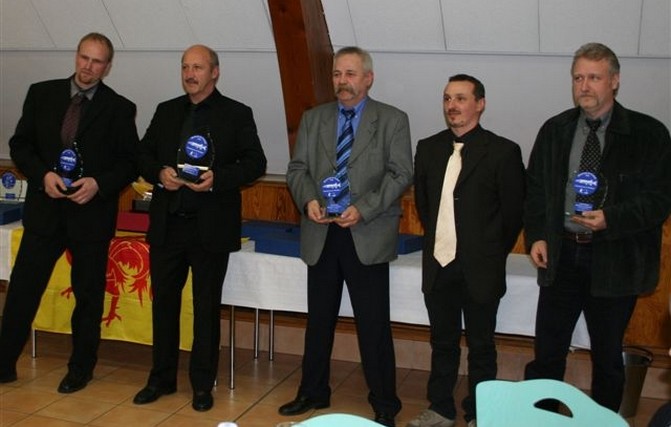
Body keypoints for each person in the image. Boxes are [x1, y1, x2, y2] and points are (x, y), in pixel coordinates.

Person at [524, 42, 671, 412]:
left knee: (607, 357)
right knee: (547, 352)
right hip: (561, 254)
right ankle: (542, 419)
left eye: (594, 77)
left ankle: (603, 420)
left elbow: (659, 200)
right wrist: (537, 236)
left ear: (615, 81)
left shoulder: (648, 133)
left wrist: (611, 218)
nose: (584, 86)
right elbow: (536, 190)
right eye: (578, 78)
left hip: (614, 258)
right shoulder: (555, 129)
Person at [279, 46, 413, 427]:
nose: (343, 81)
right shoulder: (313, 118)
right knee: (319, 321)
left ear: (368, 78)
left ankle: (385, 402)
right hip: (321, 232)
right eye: (338, 74)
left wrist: (364, 208)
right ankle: (312, 392)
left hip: (366, 232)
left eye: (351, 74)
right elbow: (297, 169)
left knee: (373, 325)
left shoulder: (392, 120)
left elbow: (402, 173)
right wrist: (308, 200)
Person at [0, 33, 138, 392]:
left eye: (96, 62)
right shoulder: (41, 93)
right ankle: (3, 363)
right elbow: (20, 144)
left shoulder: (120, 108)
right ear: (76, 56)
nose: (87, 67)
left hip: (90, 216)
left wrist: (98, 184)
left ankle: (81, 368)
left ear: (107, 67)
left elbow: (129, 162)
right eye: (83, 58)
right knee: (22, 290)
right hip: (45, 211)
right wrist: (41, 175)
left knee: (88, 297)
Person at [132, 44, 266, 412]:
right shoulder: (167, 110)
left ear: (215, 72)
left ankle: (202, 385)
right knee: (164, 306)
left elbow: (255, 162)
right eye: (185, 67)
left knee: (206, 309)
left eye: (198, 67)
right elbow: (142, 154)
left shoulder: (237, 113)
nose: (190, 74)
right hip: (168, 224)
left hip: (210, 228)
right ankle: (161, 379)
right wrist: (158, 173)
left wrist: (218, 179)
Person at [410, 74, 525, 427]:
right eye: (447, 98)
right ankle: (440, 408)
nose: (452, 105)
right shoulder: (428, 148)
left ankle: (481, 412)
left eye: (461, 98)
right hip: (439, 264)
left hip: (481, 267)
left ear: (480, 104)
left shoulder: (503, 152)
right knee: (442, 342)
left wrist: (487, 251)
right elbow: (425, 206)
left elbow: (513, 215)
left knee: (481, 346)